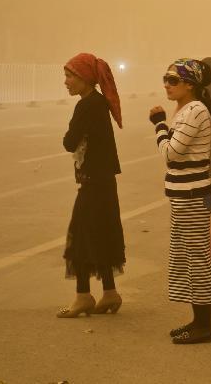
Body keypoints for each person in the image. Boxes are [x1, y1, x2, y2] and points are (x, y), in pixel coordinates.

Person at [149, 58, 211, 344]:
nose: (167, 85)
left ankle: (205, 326)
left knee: (198, 261)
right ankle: (197, 321)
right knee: (187, 260)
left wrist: (159, 125)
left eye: (173, 80)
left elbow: (171, 154)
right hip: (183, 196)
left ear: (189, 85)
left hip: (192, 197)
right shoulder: (187, 109)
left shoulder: (195, 111)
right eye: (165, 79)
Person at [57, 53, 126, 318]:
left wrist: (71, 133)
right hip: (103, 182)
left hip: (93, 184)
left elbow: (69, 142)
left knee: (82, 239)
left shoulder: (87, 105)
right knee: (100, 235)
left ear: (85, 78)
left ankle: (83, 296)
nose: (66, 82)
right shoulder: (98, 103)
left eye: (70, 76)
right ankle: (109, 292)